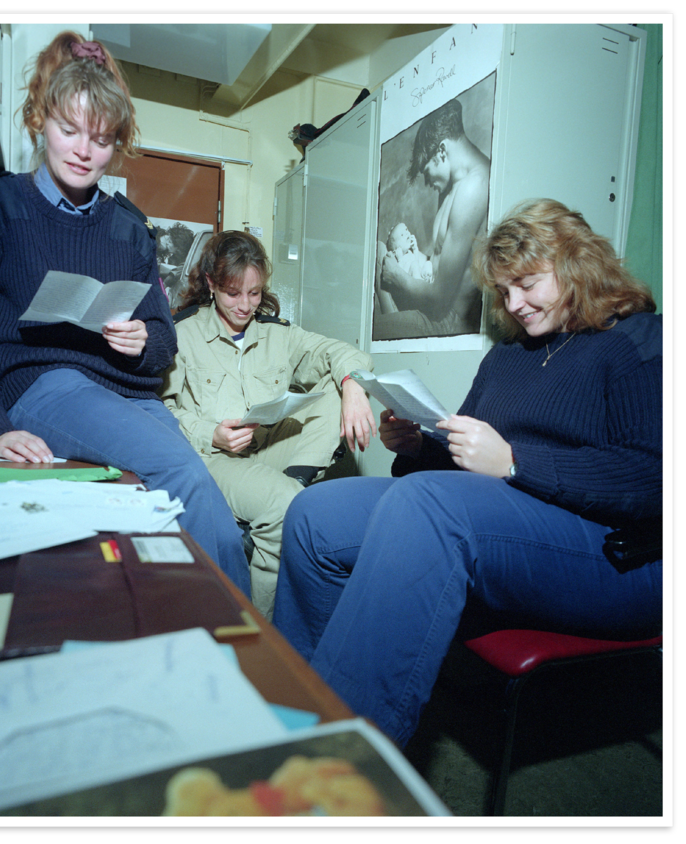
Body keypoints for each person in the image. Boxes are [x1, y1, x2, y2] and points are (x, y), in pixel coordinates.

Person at [274, 199, 662, 747]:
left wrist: (513, 462)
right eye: (504, 291)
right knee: (316, 513)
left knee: (431, 507)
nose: (515, 303)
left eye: (526, 283)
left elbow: (651, 477)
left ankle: (341, 770)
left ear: (578, 265)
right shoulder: (507, 356)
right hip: (516, 524)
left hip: (618, 553)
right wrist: (418, 445)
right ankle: (305, 709)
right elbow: (463, 463)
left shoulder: (640, 340)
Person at [0, 31, 249, 593]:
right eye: (68, 130)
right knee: (184, 478)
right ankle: (248, 656)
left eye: (100, 139)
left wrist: (141, 342)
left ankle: (187, 633)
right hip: (45, 385)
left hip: (129, 392)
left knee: (192, 491)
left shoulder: (129, 226)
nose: (82, 150)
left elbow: (164, 343)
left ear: (117, 143)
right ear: (40, 123)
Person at [159, 231, 376, 619]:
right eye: (233, 293)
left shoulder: (278, 334)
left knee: (338, 384)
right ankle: (261, 628)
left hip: (270, 452)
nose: (245, 305)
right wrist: (211, 434)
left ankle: (288, 490)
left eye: (255, 293)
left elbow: (343, 352)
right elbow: (160, 412)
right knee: (286, 504)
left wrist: (354, 386)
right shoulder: (181, 333)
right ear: (211, 284)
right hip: (214, 460)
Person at [376, 98, 489, 338]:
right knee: (377, 250)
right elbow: (440, 263)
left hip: (447, 323)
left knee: (364, 331)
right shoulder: (453, 185)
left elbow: (440, 299)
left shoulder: (473, 187)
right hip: (432, 309)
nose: (426, 182)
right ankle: (389, 310)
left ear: (441, 151)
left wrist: (397, 277)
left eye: (426, 171)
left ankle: (388, 312)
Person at [376, 222, 433, 314]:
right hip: (412, 292)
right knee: (416, 264)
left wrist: (415, 249)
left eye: (406, 230)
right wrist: (399, 258)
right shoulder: (397, 257)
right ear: (395, 248)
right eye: (402, 234)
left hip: (419, 284)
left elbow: (417, 265)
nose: (407, 233)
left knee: (428, 263)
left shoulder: (410, 254)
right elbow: (399, 273)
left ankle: (426, 282)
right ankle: (424, 289)